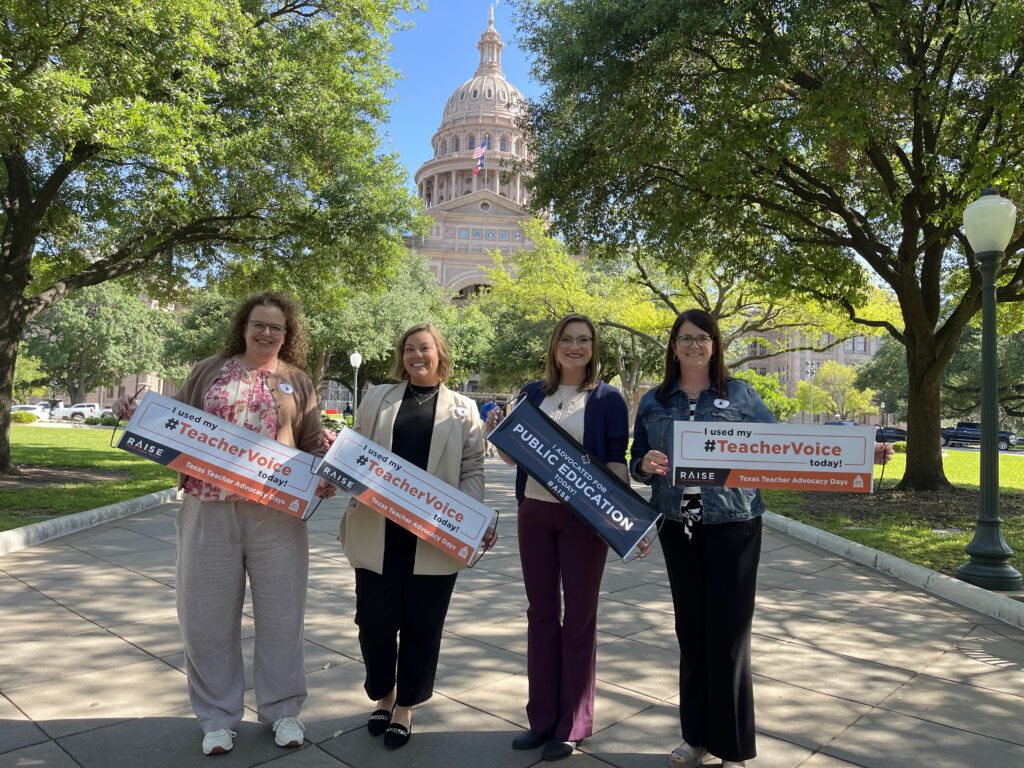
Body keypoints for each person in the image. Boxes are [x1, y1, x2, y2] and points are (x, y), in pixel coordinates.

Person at [113, 291, 333, 757]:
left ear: (288, 334)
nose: (267, 333)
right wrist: (136, 415)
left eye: (276, 327)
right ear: (244, 325)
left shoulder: (298, 381)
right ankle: (217, 718)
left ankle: (283, 710)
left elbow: (313, 444)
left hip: (276, 516)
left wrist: (325, 472)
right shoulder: (209, 370)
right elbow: (173, 423)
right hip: (207, 509)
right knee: (205, 618)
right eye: (259, 324)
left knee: (282, 616)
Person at [630, 309, 774, 768]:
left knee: (729, 635)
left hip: (734, 525)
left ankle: (731, 746)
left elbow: (787, 445)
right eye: (685, 338)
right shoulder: (654, 401)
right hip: (679, 527)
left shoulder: (744, 396)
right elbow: (636, 461)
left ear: (715, 345)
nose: (693, 345)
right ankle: (695, 736)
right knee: (690, 632)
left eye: (702, 338)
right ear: (673, 346)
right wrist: (644, 464)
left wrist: (855, 452)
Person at [338, 323, 491, 750]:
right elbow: (356, 451)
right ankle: (382, 694)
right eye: (408, 349)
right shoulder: (377, 398)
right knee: (374, 623)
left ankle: (405, 705)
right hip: (377, 530)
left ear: (440, 354)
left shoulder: (463, 409)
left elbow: (473, 468)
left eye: (424, 348)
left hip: (434, 537)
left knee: (423, 626)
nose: (415, 356)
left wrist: (465, 517)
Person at [502, 314, 632, 761]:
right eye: (567, 340)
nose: (575, 347)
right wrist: (500, 432)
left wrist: (626, 518)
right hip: (534, 513)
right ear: (554, 346)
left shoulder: (608, 398)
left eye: (584, 340)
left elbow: (616, 461)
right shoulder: (532, 394)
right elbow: (509, 454)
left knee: (578, 619)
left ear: (593, 348)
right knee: (540, 615)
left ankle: (572, 723)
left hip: (584, 519)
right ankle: (540, 719)